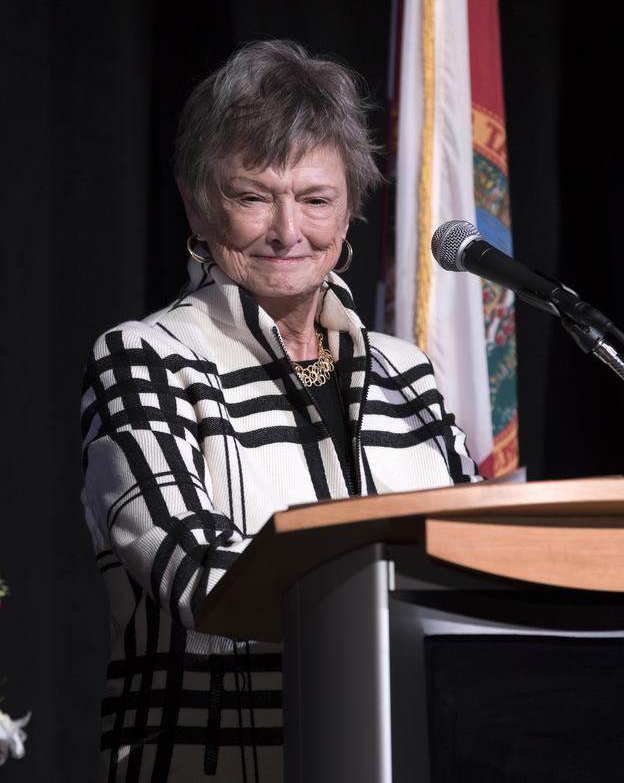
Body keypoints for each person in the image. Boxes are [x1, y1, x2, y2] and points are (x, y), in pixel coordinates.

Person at [80, 39, 478, 782]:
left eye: (315, 198)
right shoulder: (143, 358)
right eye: (254, 195)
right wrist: (396, 600)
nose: (288, 231)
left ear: (351, 208)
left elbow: (475, 561)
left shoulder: (409, 375)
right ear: (197, 202)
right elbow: (196, 573)